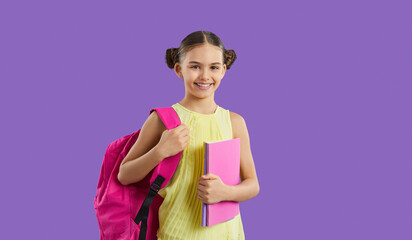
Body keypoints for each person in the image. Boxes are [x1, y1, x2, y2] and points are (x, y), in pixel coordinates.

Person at [117, 30, 260, 240]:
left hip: (228, 233)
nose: (204, 76)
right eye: (195, 66)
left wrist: (225, 192)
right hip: (177, 233)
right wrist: (159, 151)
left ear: (223, 71)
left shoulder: (235, 122)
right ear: (179, 69)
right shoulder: (162, 119)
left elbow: (253, 184)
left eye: (214, 67)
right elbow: (124, 174)